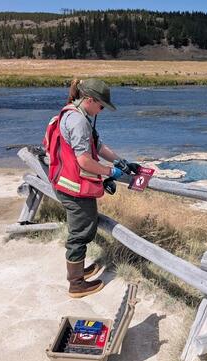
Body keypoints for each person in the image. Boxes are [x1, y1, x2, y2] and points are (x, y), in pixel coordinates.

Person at [44, 78, 139, 298]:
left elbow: (97, 145)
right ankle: (76, 283)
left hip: (65, 182)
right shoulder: (78, 122)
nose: (102, 110)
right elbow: (84, 161)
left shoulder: (72, 113)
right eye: (101, 105)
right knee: (81, 233)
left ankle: (78, 270)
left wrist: (120, 161)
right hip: (74, 187)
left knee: (83, 227)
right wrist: (109, 172)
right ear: (89, 100)